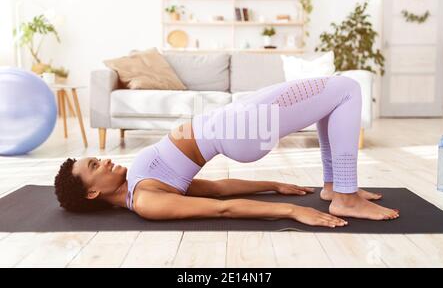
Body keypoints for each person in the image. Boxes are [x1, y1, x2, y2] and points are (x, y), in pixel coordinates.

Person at [54, 76, 399, 228]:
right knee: (347, 89)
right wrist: (292, 212)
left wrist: (273, 185)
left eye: (98, 157)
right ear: (93, 191)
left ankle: (333, 187)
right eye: (95, 165)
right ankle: (346, 197)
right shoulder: (146, 201)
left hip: (234, 119)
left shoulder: (138, 185)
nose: (106, 159)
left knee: (332, 98)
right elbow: (222, 209)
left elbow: (217, 188)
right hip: (239, 128)